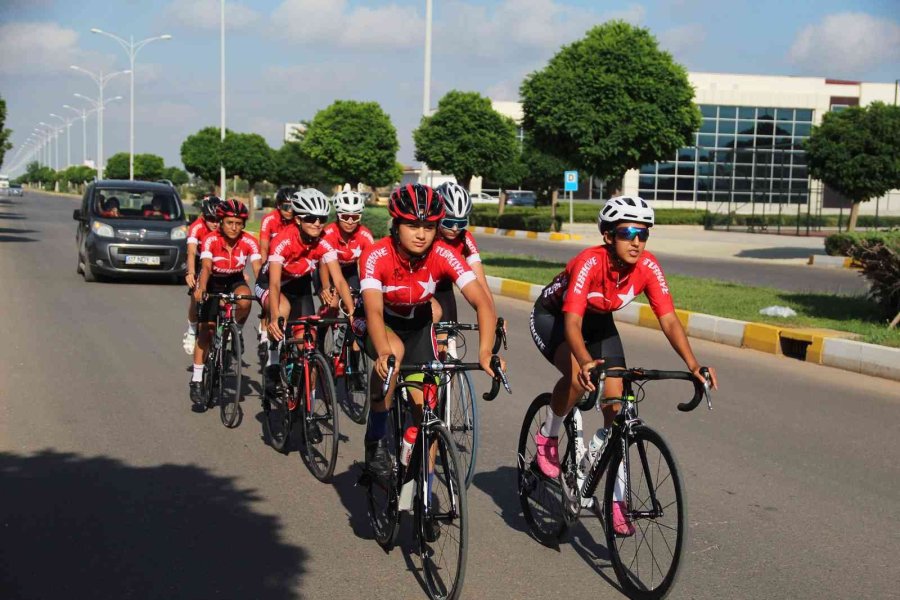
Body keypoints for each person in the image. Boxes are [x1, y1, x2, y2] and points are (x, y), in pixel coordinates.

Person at [529, 195, 719, 535]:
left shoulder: (648, 267)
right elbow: (572, 325)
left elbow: (670, 320)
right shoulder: (589, 262)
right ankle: (549, 435)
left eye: (643, 234)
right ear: (608, 236)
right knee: (575, 375)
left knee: (615, 410)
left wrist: (694, 364)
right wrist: (586, 362)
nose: (636, 241)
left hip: (599, 324)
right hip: (556, 319)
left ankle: (617, 503)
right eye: (628, 232)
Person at [355, 183, 504, 477]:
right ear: (396, 225)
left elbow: (482, 302)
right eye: (412, 225)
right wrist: (383, 352)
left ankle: (420, 482)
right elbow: (372, 310)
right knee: (394, 354)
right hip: (379, 320)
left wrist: (485, 351)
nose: (421, 234)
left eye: (428, 226)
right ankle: (375, 438)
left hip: (417, 324)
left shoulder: (443, 253)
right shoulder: (376, 255)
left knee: (425, 409)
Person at [257, 188, 356, 398]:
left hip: (298, 286)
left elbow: (338, 279)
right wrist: (274, 318)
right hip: (270, 284)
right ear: (298, 220)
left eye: (321, 219)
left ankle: (308, 411)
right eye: (311, 218)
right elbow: (274, 284)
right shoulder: (283, 241)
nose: (317, 224)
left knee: (308, 347)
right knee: (282, 310)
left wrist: (352, 311)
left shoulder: (323, 242)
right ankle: (273, 361)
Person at [189, 199, 261, 408]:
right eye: (229, 222)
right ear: (221, 222)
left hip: (234, 280)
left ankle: (236, 330)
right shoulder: (211, 239)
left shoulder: (249, 241)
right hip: (212, 282)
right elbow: (206, 267)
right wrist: (201, 288)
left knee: (245, 299)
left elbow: (257, 268)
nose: (234, 227)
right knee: (206, 331)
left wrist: (264, 291)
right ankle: (196, 379)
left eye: (239, 223)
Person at [431, 181, 495, 328]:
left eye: (460, 223)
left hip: (443, 289)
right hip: (418, 288)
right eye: (449, 222)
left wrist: (493, 317)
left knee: (450, 339)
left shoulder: (465, 238)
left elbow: (481, 283)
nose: (454, 228)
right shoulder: (428, 235)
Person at [257, 187, 296, 349]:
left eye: (293, 207)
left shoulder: (297, 220)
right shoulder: (270, 219)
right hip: (272, 265)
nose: (290, 211)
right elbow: (264, 248)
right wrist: (265, 268)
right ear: (278, 206)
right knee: (271, 304)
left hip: (289, 267)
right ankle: (265, 329)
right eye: (286, 207)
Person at [319, 188, 375, 303]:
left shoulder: (365, 235)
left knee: (353, 302)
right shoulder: (327, 234)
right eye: (345, 217)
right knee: (331, 303)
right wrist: (326, 286)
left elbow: (366, 266)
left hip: (351, 270)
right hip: (327, 269)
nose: (350, 222)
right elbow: (322, 263)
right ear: (338, 216)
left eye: (355, 217)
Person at [182, 196, 221, 354]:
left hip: (216, 260)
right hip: (199, 260)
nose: (215, 223)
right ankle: (192, 330)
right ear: (204, 217)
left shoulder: (223, 227)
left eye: (218, 219)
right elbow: (191, 251)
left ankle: (222, 328)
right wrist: (191, 272)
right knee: (195, 294)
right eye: (211, 219)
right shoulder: (196, 227)